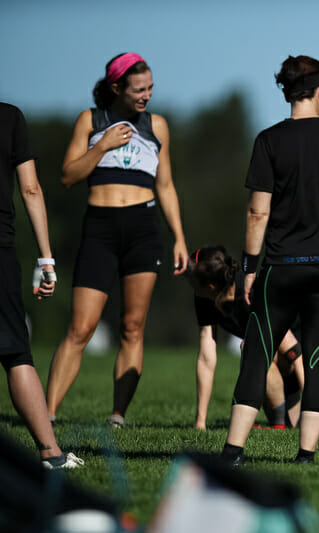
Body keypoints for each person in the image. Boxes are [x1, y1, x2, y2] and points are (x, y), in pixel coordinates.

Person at [220, 55, 319, 465]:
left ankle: (233, 451)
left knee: (257, 353)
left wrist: (249, 268)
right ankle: (305, 455)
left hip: (283, 267)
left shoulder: (269, 140)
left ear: (286, 93)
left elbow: (257, 213)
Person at [46, 53, 189, 427]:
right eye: (139, 89)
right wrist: (102, 146)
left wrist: (179, 238)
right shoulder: (90, 121)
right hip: (101, 228)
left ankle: (117, 415)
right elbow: (67, 176)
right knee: (81, 328)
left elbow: (167, 185)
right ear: (116, 88)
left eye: (151, 88)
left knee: (132, 326)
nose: (147, 95)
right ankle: (46, 415)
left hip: (143, 227)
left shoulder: (158, 125)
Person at [186, 245, 319, 431]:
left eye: (190, 279)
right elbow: (207, 358)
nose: (188, 282)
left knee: (252, 347)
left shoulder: (252, 292)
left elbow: (294, 352)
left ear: (211, 286)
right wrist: (200, 422)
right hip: (270, 362)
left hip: (298, 360)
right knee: (294, 422)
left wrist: (312, 409)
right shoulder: (204, 298)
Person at [0, 102, 82, 469]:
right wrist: (46, 259)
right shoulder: (9, 117)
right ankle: (50, 454)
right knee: (16, 354)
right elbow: (30, 189)